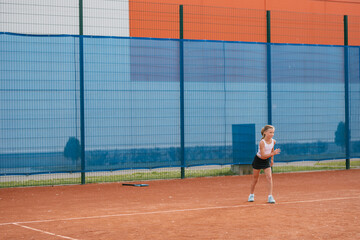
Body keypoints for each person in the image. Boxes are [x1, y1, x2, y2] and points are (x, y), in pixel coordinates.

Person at [248, 125, 280, 203]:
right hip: (258, 160)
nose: (272, 134)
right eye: (270, 132)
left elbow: (271, 150)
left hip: (266, 161)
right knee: (255, 179)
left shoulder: (273, 141)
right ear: (265, 133)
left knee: (269, 177)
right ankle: (251, 195)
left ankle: (270, 196)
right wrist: (273, 154)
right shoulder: (262, 142)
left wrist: (272, 160)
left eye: (273, 132)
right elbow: (263, 155)